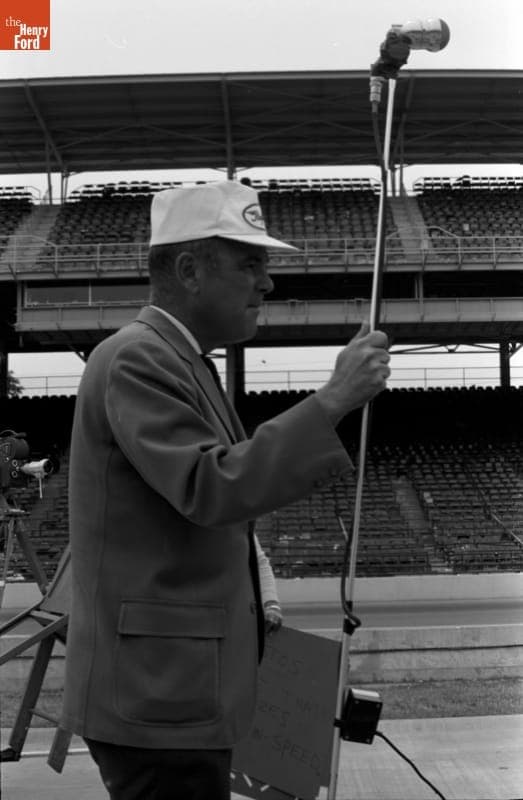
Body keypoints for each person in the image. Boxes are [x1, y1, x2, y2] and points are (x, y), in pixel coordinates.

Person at [61, 180, 390, 800]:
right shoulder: (138, 358)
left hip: (178, 686)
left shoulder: (179, 359)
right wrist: (334, 400)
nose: (266, 283)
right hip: (157, 696)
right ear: (189, 270)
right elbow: (211, 487)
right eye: (250, 264)